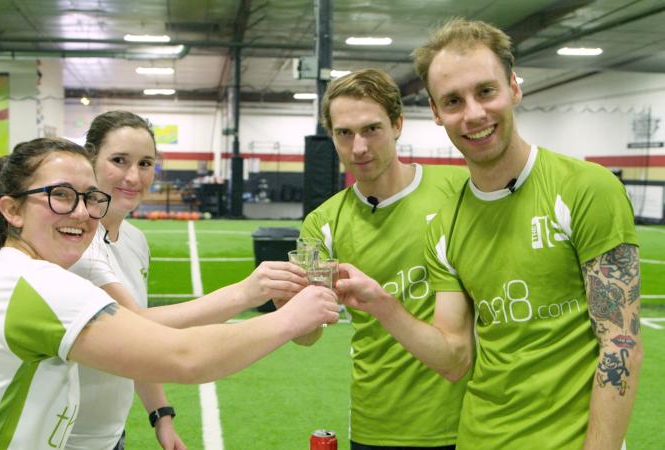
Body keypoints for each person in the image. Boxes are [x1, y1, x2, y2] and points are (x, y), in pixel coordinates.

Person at [0, 137, 339, 449]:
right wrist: (290, 316)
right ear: (12, 210)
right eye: (60, 196)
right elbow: (183, 355)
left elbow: (145, 340)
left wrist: (159, 412)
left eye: (90, 198)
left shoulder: (19, 273)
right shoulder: (38, 283)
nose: (81, 212)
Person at [336, 18, 642, 450]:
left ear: (513, 88)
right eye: (453, 101)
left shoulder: (586, 189)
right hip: (478, 438)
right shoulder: (447, 224)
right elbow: (454, 358)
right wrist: (381, 303)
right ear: (437, 113)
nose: (474, 114)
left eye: (486, 91)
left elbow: (621, 345)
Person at [68, 110, 310, 450]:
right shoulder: (77, 243)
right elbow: (138, 328)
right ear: (90, 158)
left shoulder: (135, 240)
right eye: (119, 160)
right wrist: (246, 294)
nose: (133, 176)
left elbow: (134, 350)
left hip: (109, 437)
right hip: (61, 440)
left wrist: (161, 417)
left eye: (145, 163)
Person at [296, 68, 469, 449]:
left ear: (397, 125)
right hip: (376, 424)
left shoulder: (459, 191)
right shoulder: (320, 224)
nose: (358, 147)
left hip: (468, 421)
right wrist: (290, 309)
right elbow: (308, 334)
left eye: (371, 129)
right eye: (344, 133)